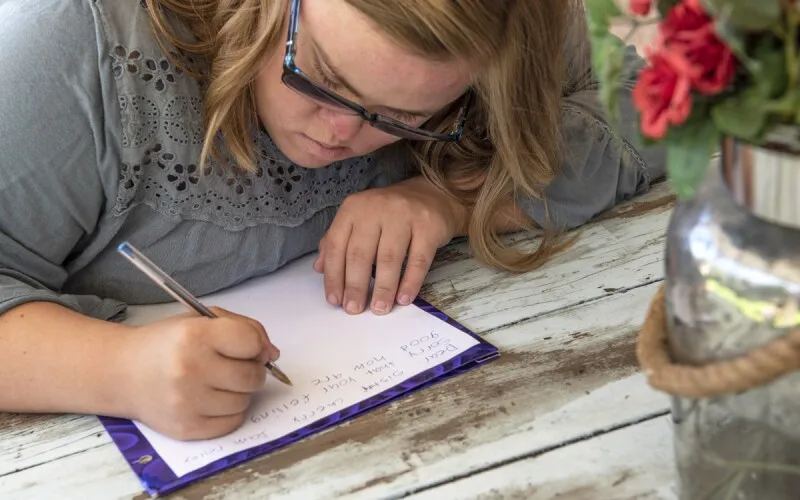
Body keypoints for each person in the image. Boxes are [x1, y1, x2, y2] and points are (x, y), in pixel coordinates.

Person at [0, 0, 665, 440]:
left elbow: (656, 99)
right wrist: (119, 370)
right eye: (320, 77)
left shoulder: (510, 15)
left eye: (403, 117)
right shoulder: (74, 41)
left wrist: (450, 200)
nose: (342, 134)